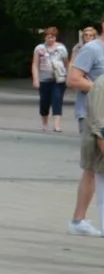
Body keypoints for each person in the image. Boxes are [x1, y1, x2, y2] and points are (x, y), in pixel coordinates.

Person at [69, 14, 104, 235]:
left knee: (94, 169)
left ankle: (78, 219)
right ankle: (78, 220)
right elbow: (73, 79)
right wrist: (99, 91)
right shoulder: (92, 49)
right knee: (92, 168)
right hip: (92, 115)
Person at [34, 26, 69, 133]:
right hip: (44, 79)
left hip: (59, 79)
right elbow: (35, 65)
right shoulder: (39, 48)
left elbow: (67, 63)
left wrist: (68, 76)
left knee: (57, 99)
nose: (51, 40)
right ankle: (44, 123)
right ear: (45, 37)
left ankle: (57, 125)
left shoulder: (61, 48)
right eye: (49, 37)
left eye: (53, 37)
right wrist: (35, 79)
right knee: (44, 102)